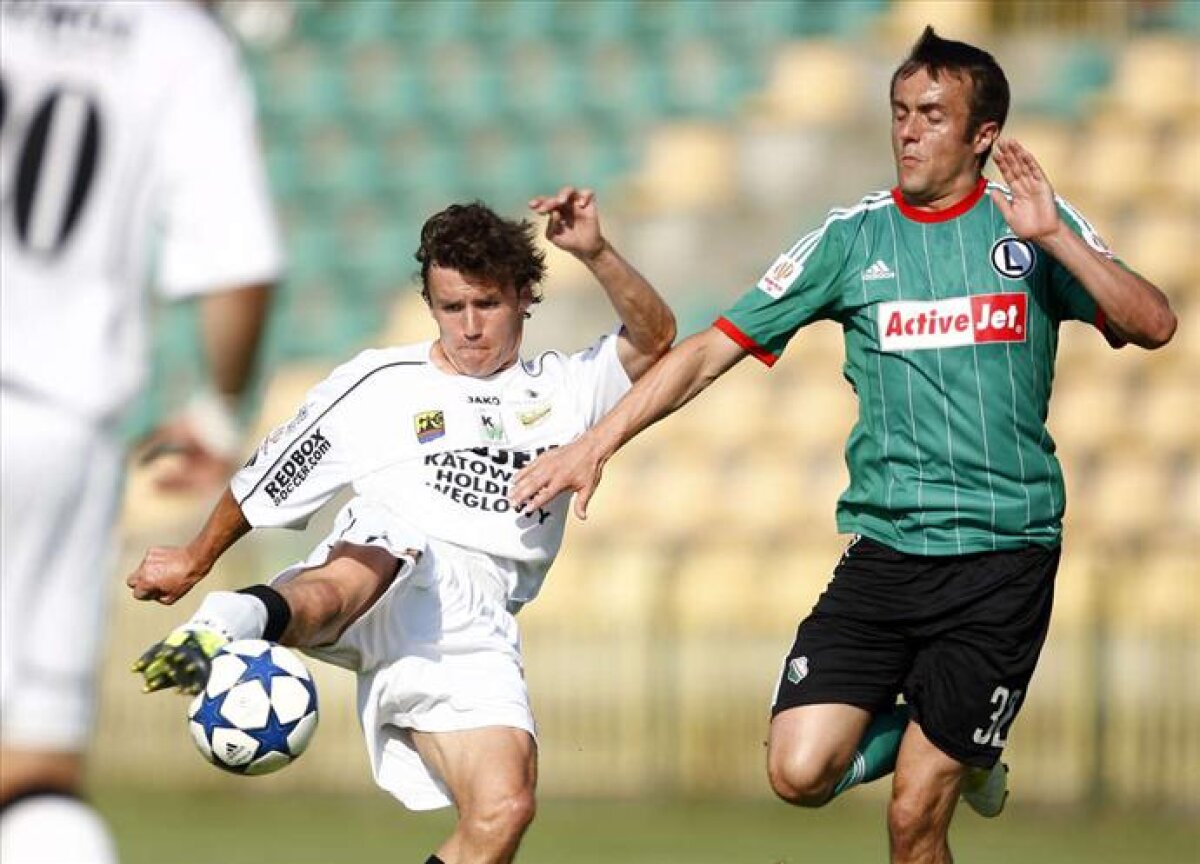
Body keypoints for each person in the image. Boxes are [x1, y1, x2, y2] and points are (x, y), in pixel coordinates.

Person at [507, 28, 1176, 864]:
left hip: (1001, 558)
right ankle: (966, 737)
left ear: (983, 136)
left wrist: (1058, 240)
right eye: (900, 112)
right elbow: (709, 351)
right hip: (886, 553)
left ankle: (957, 742)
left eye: (932, 115)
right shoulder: (852, 239)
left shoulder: (1033, 232)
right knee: (797, 771)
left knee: (913, 820)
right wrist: (596, 443)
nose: (908, 131)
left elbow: (1155, 323)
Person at [126, 190, 675, 864]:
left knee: (502, 813)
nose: (469, 326)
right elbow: (273, 473)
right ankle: (232, 620)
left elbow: (656, 340)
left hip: (470, 629)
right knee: (376, 555)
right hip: (383, 559)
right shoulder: (380, 382)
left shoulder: (566, 389)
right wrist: (196, 556)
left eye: (487, 304)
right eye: (451, 307)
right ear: (430, 305)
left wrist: (596, 252)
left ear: (525, 294)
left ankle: (247, 619)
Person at [0, 1, 281, 861]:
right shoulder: (177, 41)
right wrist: (218, 409)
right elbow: (241, 265)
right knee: (35, 769)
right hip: (53, 421)